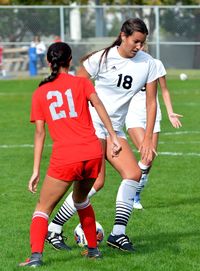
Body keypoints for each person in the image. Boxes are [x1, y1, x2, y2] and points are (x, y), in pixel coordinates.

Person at [46, 17, 158, 253]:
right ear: (123, 36)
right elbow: (74, 86)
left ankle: (118, 234)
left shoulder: (148, 63)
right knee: (96, 181)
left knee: (133, 174)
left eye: (142, 42)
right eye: (135, 41)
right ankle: (54, 228)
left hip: (114, 129)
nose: (139, 46)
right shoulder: (102, 58)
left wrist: (147, 138)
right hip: (92, 126)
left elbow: (151, 102)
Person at [19, 42, 122, 267]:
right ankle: (93, 250)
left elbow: (39, 133)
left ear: (48, 63)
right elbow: (99, 105)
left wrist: (36, 170)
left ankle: (36, 256)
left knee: (43, 207)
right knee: (81, 199)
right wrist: (113, 137)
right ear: (70, 60)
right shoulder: (82, 83)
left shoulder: (41, 92)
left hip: (66, 157)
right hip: (92, 151)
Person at [126, 44, 183, 209]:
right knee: (147, 154)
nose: (140, 47)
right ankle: (131, 192)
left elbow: (164, 90)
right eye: (137, 44)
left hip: (153, 115)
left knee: (149, 160)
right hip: (133, 115)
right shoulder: (128, 64)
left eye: (142, 44)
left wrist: (170, 112)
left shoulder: (156, 64)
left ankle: (136, 191)